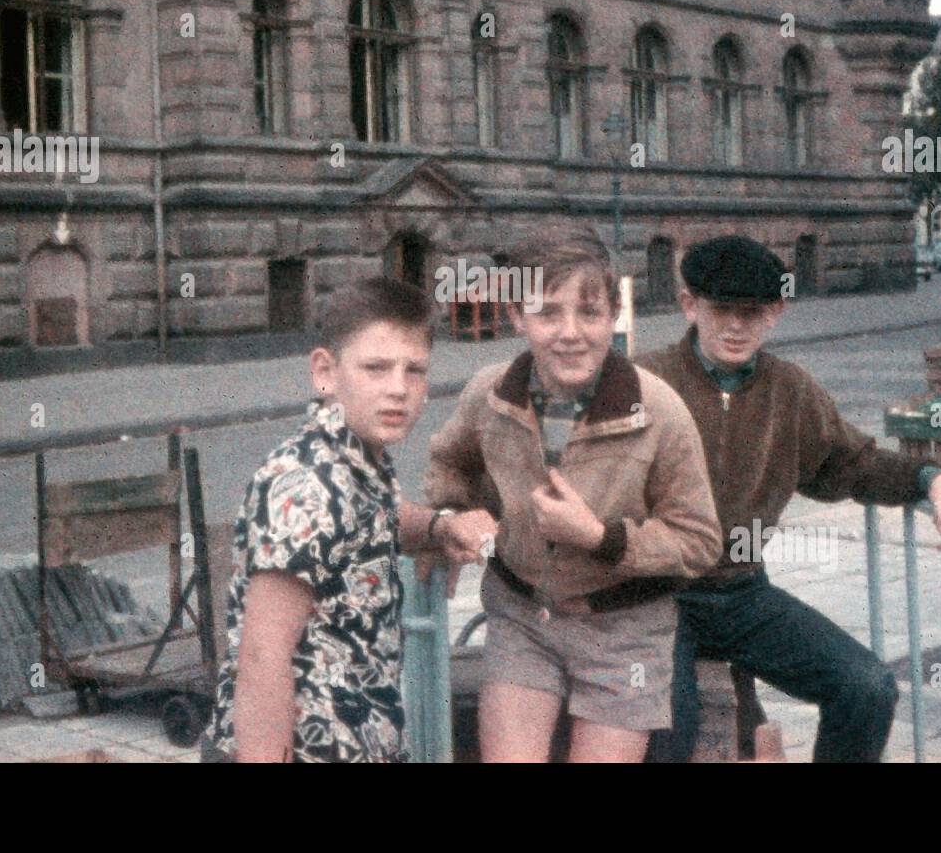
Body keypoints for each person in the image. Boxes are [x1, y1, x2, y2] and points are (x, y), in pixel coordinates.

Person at [638, 235, 941, 763]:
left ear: (775, 312)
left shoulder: (789, 389)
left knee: (867, 688)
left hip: (740, 593)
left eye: (751, 313)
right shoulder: (646, 380)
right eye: (721, 309)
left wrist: (930, 478)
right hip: (656, 598)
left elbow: (850, 463)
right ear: (689, 305)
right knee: (669, 738)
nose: (735, 326)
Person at [424, 226, 723, 762]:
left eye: (588, 313)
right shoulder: (489, 396)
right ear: (517, 316)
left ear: (613, 314)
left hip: (624, 632)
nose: (570, 332)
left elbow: (699, 540)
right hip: (523, 619)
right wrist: (453, 519)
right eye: (547, 313)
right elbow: (450, 464)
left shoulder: (658, 410)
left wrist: (599, 537)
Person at [202, 276, 494, 763]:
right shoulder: (306, 482)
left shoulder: (354, 459)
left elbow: (369, 521)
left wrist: (439, 526)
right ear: (325, 371)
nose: (398, 389)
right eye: (376, 368)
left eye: (415, 370)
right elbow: (262, 655)